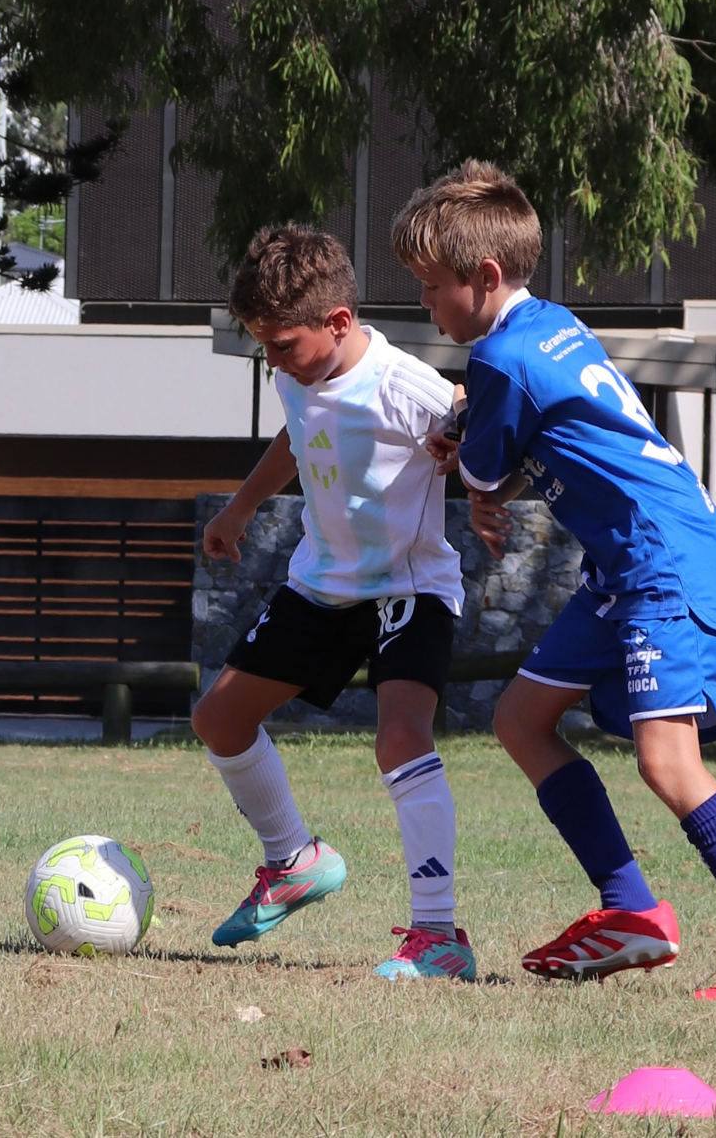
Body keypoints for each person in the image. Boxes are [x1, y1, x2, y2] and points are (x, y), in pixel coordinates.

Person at [390, 160, 716, 1004]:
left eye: (430, 286)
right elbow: (547, 441)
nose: (425, 303)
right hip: (629, 562)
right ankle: (631, 907)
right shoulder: (551, 326)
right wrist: (493, 475)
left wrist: (474, 469)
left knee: (668, 764)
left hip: (661, 560)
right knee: (522, 719)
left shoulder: (499, 366)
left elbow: (484, 459)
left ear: (484, 278)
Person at [191, 223, 475, 981]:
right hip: (322, 586)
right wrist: (240, 509)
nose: (272, 360)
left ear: (339, 323)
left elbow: (470, 417)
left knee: (401, 737)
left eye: (281, 344)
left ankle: (439, 936)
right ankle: (293, 860)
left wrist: (472, 456)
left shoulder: (400, 382)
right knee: (217, 718)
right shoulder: (297, 373)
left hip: (409, 587)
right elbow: (295, 436)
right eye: (264, 345)